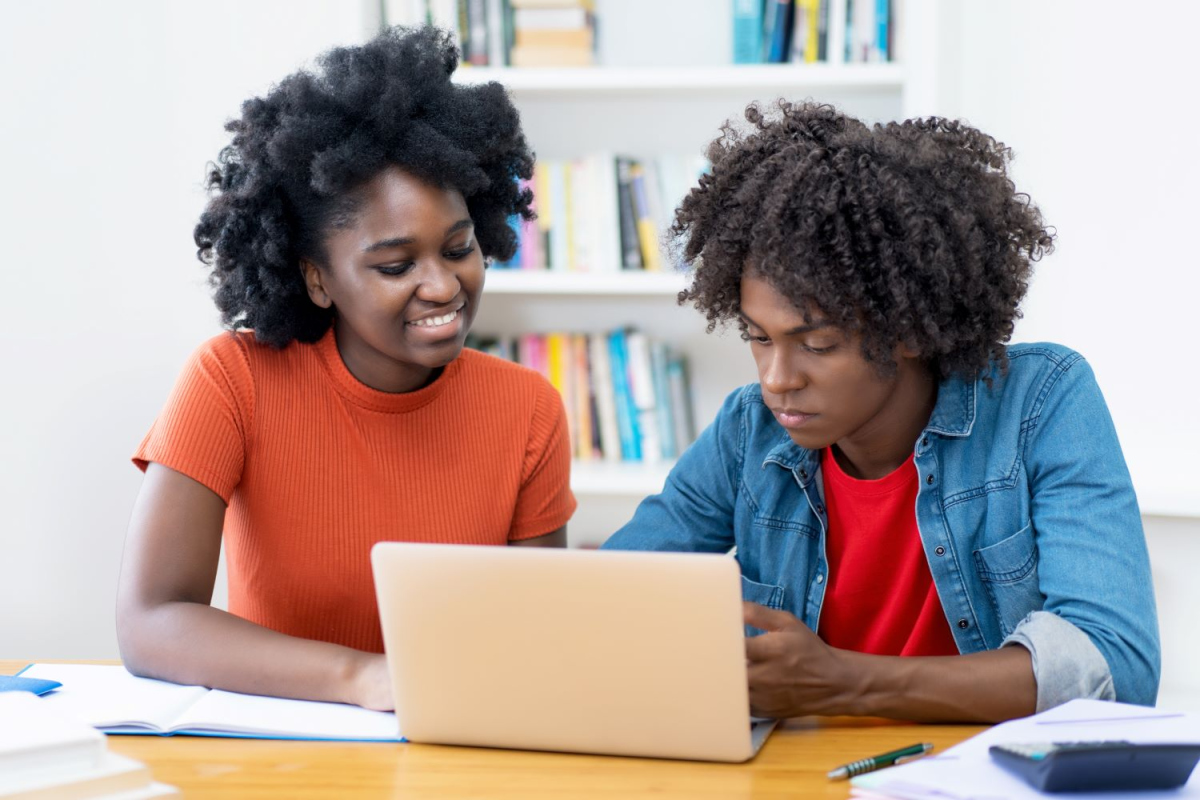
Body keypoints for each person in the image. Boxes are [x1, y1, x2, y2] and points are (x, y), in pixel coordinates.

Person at [602, 101, 1159, 722]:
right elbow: (607, 599)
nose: (776, 380)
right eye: (759, 338)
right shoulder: (747, 432)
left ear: (908, 330)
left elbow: (1118, 666)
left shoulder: (1042, 402)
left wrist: (847, 684)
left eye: (817, 344)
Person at [116, 27, 575, 711]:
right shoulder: (231, 382)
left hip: (455, 745)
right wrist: (363, 678)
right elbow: (151, 623)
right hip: (278, 757)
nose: (444, 286)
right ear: (317, 279)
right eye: (395, 266)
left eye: (459, 248)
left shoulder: (527, 409)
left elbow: (536, 636)